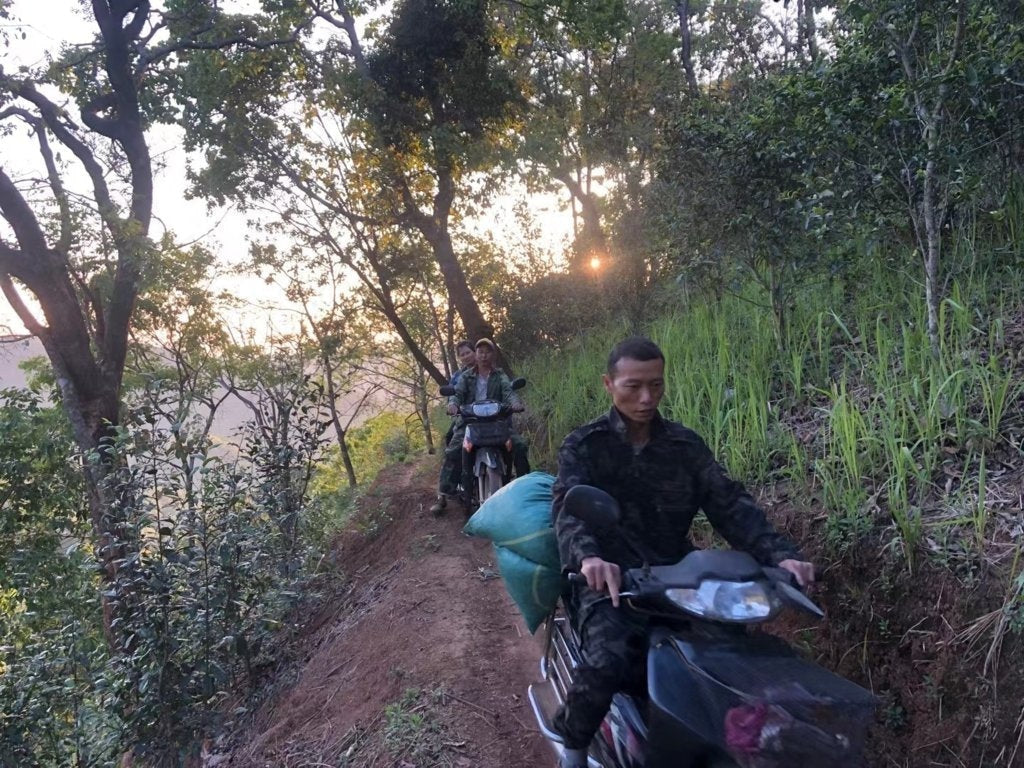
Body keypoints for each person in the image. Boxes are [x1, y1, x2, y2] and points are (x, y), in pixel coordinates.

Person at [550, 336, 814, 768]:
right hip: (613, 584)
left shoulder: (685, 446)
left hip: (681, 579)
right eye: (633, 386)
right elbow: (568, 508)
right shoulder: (585, 445)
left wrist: (780, 555)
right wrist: (590, 559)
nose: (646, 397)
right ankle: (573, 749)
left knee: (734, 661)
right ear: (608, 384)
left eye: (656, 385)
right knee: (606, 662)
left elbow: (730, 505)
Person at [447, 338, 531, 507]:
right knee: (454, 449)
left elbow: (508, 392)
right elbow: (458, 393)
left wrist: (515, 403)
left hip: (497, 423)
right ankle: (447, 491)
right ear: (476, 355)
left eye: (487, 351)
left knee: (520, 446)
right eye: (480, 352)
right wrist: (453, 404)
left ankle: (524, 488)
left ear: (493, 355)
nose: (484, 355)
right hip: (471, 422)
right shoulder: (466, 376)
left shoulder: (499, 375)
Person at [430, 341, 477, 515]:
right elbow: (454, 395)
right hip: (467, 420)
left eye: (468, 352)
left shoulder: (489, 372)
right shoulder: (459, 376)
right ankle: (442, 495)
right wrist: (452, 405)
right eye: (462, 354)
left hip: (493, 419)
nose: (466, 356)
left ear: (475, 352)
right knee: (453, 450)